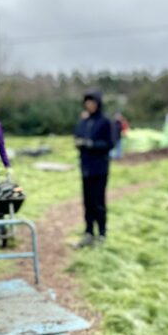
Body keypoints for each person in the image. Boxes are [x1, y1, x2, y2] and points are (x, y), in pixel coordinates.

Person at [73, 90, 114, 247]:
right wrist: (79, 142)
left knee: (98, 201)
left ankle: (102, 232)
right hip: (86, 167)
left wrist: (91, 144)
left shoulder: (104, 122)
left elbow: (109, 144)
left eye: (92, 102)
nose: (89, 105)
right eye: (87, 102)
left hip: (99, 168)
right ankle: (89, 231)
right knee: (87, 201)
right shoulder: (83, 122)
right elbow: (77, 136)